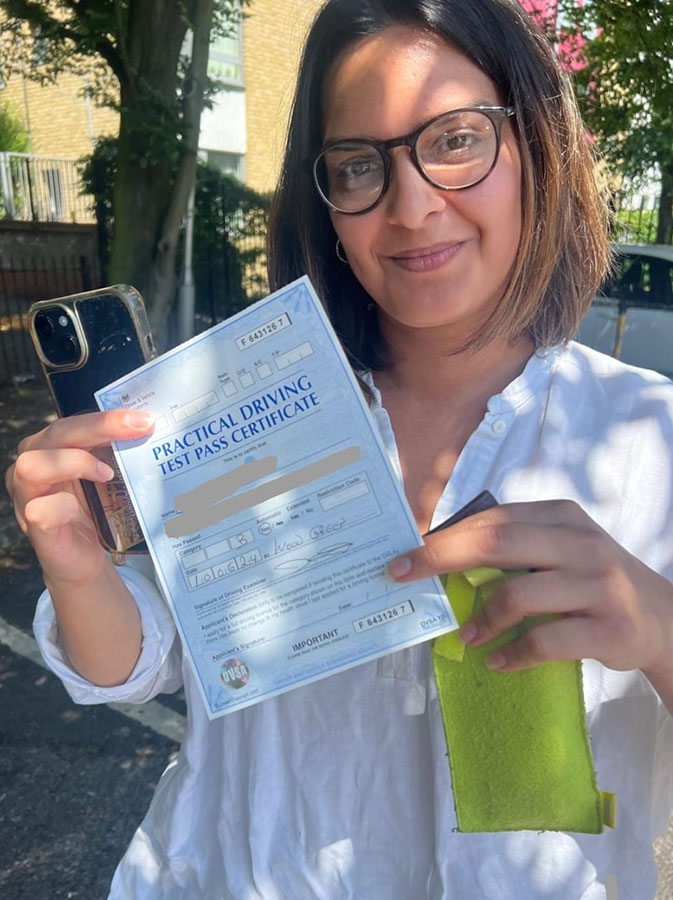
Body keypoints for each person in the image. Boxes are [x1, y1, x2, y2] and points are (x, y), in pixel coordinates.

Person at [6, 0, 673, 896]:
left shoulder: (651, 437)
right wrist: (79, 571)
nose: (410, 207)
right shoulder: (231, 409)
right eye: (359, 164)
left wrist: (658, 625)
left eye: (455, 140)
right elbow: (140, 663)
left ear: (536, 146)